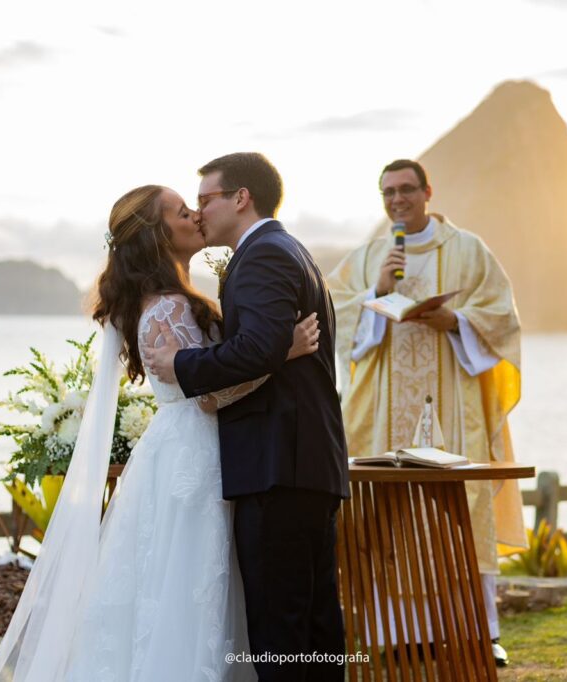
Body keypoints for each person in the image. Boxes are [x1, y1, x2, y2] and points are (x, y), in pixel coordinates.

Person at [0, 184, 321, 681]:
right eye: (184, 212)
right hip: (195, 455)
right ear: (159, 236)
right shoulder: (167, 308)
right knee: (190, 587)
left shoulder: (169, 300)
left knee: (180, 588)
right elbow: (206, 396)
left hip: (182, 451)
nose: (198, 215)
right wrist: (280, 353)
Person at [145, 152, 350, 682]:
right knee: (312, 626)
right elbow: (268, 349)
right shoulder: (287, 249)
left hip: (278, 464)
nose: (199, 212)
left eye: (206, 199)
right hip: (302, 462)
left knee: (281, 632)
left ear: (241, 198)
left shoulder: (260, 257)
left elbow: (258, 347)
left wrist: (180, 364)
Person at [327, 159, 527, 667]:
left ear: (427, 192)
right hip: (382, 412)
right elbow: (332, 314)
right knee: (386, 516)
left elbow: (503, 316)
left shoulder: (468, 250)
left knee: (462, 510)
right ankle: (391, 633)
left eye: (407, 190)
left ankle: (481, 632)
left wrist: (456, 320)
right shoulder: (371, 255)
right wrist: (374, 292)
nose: (398, 200)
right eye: (388, 192)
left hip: (451, 406)